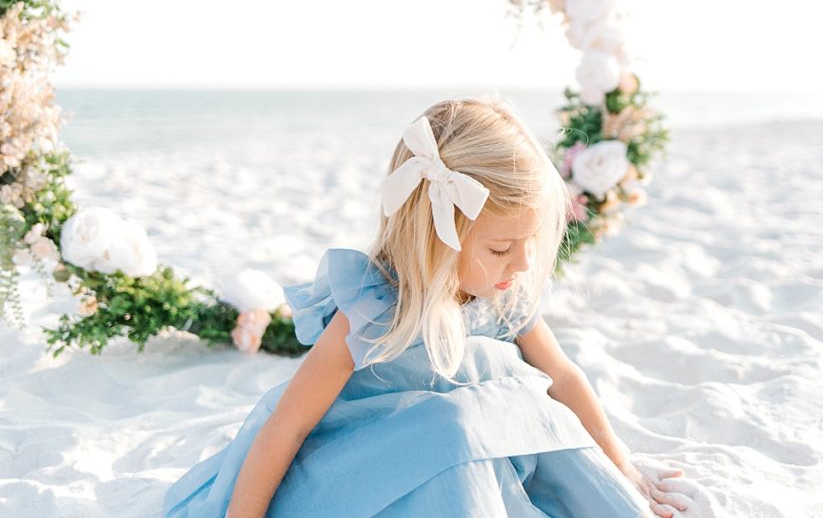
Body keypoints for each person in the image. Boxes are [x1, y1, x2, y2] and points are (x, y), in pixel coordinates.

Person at [163, 97, 687, 517]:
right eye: (501, 249)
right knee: (454, 424)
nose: (524, 263)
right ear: (435, 241)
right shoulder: (374, 307)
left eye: (530, 241)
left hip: (481, 450)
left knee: (525, 411)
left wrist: (623, 467)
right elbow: (289, 425)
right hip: (380, 461)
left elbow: (565, 380)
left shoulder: (504, 296)